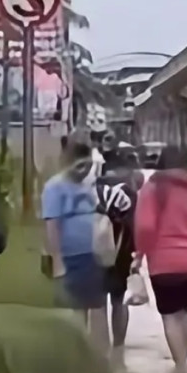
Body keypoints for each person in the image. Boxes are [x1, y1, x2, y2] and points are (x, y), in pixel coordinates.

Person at [134, 144, 187, 371]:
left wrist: (138, 256)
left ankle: (180, 367)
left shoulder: (152, 189)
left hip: (166, 264)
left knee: (170, 314)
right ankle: (184, 360)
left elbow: (145, 227)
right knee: (183, 311)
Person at [41, 129, 110, 350]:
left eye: (89, 166)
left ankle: (100, 356)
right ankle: (76, 355)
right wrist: (58, 262)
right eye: (82, 166)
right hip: (70, 258)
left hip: (92, 256)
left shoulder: (85, 186)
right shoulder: (55, 188)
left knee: (98, 308)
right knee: (75, 312)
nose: (86, 170)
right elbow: (52, 226)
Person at [95, 149, 143, 354]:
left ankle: (100, 349)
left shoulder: (92, 188)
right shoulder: (129, 192)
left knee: (97, 304)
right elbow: (137, 226)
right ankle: (119, 348)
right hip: (122, 252)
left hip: (94, 251)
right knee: (119, 300)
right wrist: (137, 256)